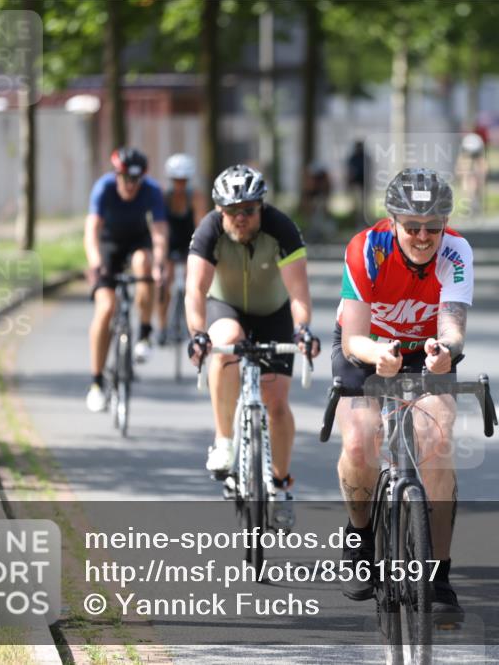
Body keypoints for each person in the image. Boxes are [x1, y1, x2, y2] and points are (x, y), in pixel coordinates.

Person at [333, 167, 473, 626]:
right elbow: (353, 336)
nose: (422, 236)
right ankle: (360, 539)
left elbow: (452, 325)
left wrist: (444, 352)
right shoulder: (366, 249)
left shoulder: (456, 252)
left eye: (433, 226)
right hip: (367, 348)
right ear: (393, 220)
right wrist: (380, 355)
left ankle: (439, 574)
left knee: (439, 436)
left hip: (425, 353)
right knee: (359, 438)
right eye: (412, 226)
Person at [185, 164, 321, 529]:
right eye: (232, 211)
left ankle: (279, 485)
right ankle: (224, 441)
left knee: (276, 403)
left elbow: (298, 293)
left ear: (261, 207)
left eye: (249, 210)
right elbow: (195, 290)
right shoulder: (209, 231)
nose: (241, 218)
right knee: (226, 340)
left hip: (273, 312)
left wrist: (303, 329)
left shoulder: (281, 228)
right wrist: (198, 333)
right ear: (219, 211)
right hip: (225, 307)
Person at [84, 147, 168, 413]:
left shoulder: (152, 190)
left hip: (137, 243)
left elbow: (159, 232)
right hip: (109, 246)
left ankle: (144, 334)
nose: (130, 185)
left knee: (144, 264)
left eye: (136, 180)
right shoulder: (103, 188)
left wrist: (160, 263)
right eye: (125, 179)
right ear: (116, 174)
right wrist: (96, 265)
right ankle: (97, 383)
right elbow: (91, 232)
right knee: (106, 307)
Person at [157, 153, 206, 345]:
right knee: (163, 281)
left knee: (192, 281)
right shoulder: (163, 197)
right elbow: (160, 226)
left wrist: (197, 254)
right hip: (170, 242)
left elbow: (200, 226)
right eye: (176, 181)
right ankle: (161, 326)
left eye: (183, 181)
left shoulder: (195, 197)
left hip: (190, 242)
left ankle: (190, 323)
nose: (180, 185)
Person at [455, 132, 488, 216]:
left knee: (474, 181)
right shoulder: (466, 149)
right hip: (472, 149)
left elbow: (483, 164)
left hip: (475, 149)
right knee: (466, 180)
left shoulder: (473, 141)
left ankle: (474, 202)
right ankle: (470, 202)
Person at [346, 141, 369, 230]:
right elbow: (350, 171)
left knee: (363, 206)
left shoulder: (364, 158)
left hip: (363, 184)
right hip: (356, 184)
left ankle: (362, 222)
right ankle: (355, 222)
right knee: (355, 204)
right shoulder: (353, 158)